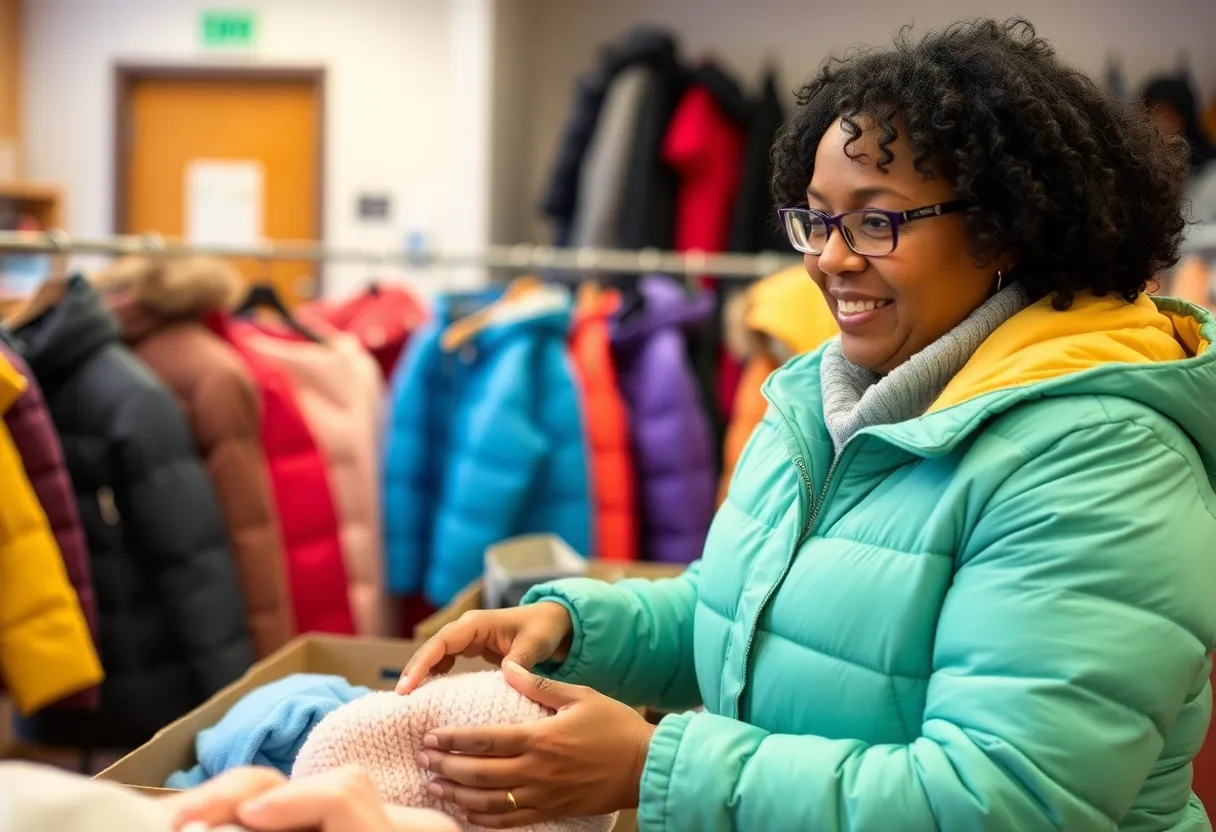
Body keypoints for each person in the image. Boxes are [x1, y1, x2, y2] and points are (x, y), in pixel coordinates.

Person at [397, 18, 1216, 832]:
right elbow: (749, 617)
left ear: (1001, 226)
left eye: (875, 221)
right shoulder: (828, 399)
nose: (829, 257)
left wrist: (655, 767)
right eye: (816, 220)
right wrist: (575, 630)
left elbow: (1004, 801)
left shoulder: (1100, 459)